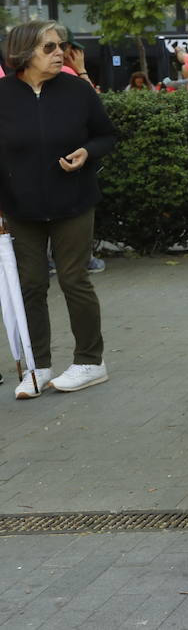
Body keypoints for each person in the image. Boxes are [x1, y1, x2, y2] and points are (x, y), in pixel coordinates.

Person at [0, 21, 117, 398]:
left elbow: (106, 135)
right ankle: (38, 367)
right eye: (49, 47)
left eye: (60, 46)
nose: (59, 54)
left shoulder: (77, 90)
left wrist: (88, 152)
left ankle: (90, 361)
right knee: (30, 285)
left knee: (73, 279)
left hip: (74, 202)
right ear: (23, 52)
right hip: (19, 208)